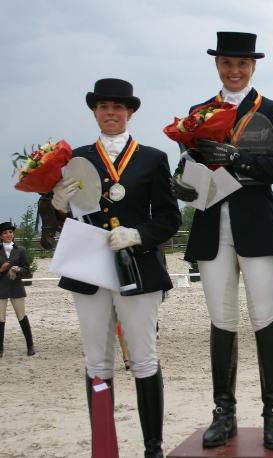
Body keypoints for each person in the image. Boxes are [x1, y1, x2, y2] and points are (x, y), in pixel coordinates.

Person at [171, 32, 273, 449]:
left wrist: (239, 159)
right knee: (222, 320)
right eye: (227, 63)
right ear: (217, 66)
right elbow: (189, 160)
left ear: (254, 66)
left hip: (256, 222)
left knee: (264, 316)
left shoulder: (271, 110)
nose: (235, 71)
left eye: (242, 64)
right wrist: (181, 181)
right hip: (212, 224)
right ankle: (224, 412)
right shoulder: (199, 112)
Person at [51, 78, 181, 457]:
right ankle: (104, 447)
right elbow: (67, 215)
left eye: (118, 108)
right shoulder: (76, 157)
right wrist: (58, 204)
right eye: (105, 107)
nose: (111, 113)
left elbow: (169, 219)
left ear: (130, 112)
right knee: (96, 359)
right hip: (88, 267)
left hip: (137, 265)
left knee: (143, 357)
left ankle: (152, 448)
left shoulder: (153, 158)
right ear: (95, 111)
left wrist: (138, 235)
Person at [0, 221, 35, 357]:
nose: (8, 234)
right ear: (1, 236)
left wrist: (19, 269)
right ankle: (0, 348)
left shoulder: (21, 250)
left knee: (22, 316)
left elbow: (27, 269)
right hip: (1, 289)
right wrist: (1, 269)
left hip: (16, 288)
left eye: (10, 232)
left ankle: (30, 345)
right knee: (0, 319)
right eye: (5, 233)